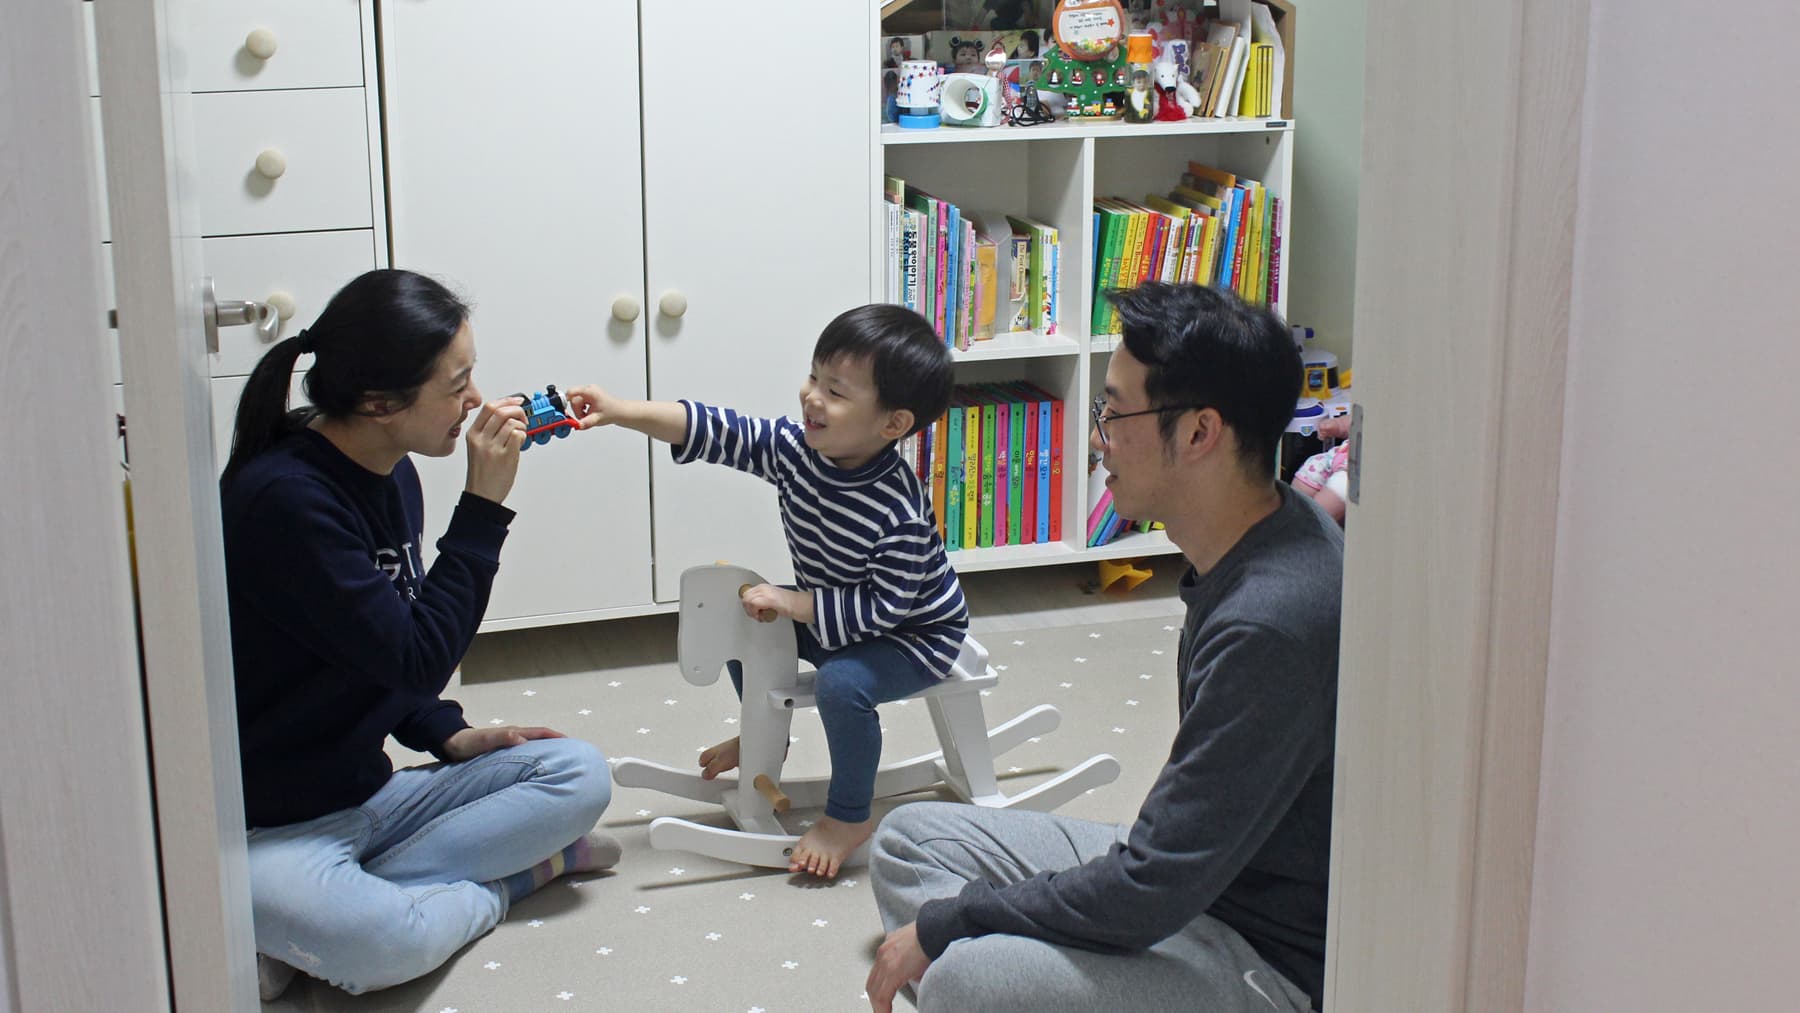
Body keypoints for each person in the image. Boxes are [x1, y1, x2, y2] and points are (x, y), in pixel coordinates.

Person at [865, 282, 1342, 1013]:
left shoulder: (1270, 623)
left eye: (1115, 412)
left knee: (970, 978)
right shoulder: (1269, 526)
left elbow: (1152, 888)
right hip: (1199, 879)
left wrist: (958, 922)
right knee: (909, 841)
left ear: (1198, 432)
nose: (1097, 437)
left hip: (1261, 958)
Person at [220, 269, 617, 999]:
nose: (475, 401)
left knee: (580, 770)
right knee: (377, 946)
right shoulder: (285, 503)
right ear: (378, 402)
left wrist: (446, 733)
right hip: (272, 826)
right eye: (457, 383)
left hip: (369, 797)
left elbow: (379, 642)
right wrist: (483, 508)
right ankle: (510, 881)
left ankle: (311, 921)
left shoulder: (389, 467)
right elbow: (416, 654)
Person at [565, 304, 966, 879]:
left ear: (893, 424)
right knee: (744, 622)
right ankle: (765, 738)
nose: (812, 397)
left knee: (843, 684)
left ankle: (849, 817)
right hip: (835, 611)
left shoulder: (897, 509)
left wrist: (794, 602)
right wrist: (618, 410)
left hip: (912, 635)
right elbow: (711, 428)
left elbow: (884, 608)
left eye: (836, 391)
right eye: (814, 377)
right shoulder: (797, 451)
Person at [1291, 413, 1351, 524]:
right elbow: (1358, 419)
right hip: (1338, 455)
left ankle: (1309, 527)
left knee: (1332, 498)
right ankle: (1292, 513)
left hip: (1354, 468)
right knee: (1307, 476)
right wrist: (1338, 425)